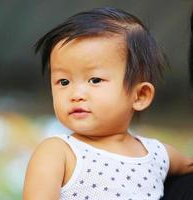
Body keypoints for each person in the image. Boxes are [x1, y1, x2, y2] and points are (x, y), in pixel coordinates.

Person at [23, 7, 193, 200]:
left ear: (140, 96)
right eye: (64, 82)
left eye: (95, 80)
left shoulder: (158, 154)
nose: (75, 94)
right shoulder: (58, 152)